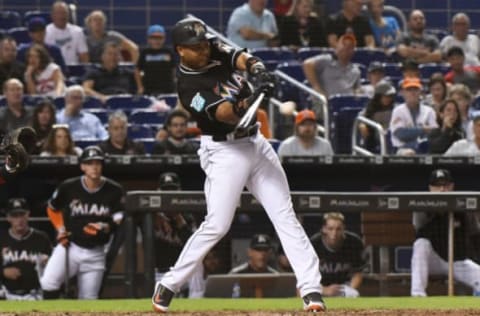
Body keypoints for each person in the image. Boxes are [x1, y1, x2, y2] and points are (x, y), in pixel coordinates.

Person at [152, 17, 325, 313]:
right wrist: (253, 98)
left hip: (255, 143)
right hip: (224, 151)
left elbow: (240, 56)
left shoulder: (210, 48)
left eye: (205, 43)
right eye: (196, 47)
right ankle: (169, 283)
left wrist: (257, 70)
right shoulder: (188, 87)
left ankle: (311, 290)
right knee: (218, 224)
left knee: (285, 215)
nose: (204, 49)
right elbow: (226, 114)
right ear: (181, 50)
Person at [40, 146, 125, 299]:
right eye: (90, 163)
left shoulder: (115, 190)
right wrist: (60, 229)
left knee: (89, 299)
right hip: (70, 246)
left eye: (98, 163)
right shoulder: (69, 186)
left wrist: (106, 226)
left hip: (96, 251)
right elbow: (52, 208)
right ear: (82, 166)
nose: (94, 167)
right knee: (48, 283)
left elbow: (120, 215)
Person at [411, 169, 480, 297]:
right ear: (430, 188)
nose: (442, 189)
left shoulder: (463, 206)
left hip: (456, 260)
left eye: (445, 185)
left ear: (452, 186)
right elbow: (419, 229)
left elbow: (476, 236)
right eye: (437, 186)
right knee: (421, 244)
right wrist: (438, 211)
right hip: (432, 260)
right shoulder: (422, 205)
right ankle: (418, 295)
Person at [0, 198, 51, 301]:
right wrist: (2, 272)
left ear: (28, 214)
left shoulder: (41, 238)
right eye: (15, 216)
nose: (19, 220)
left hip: (34, 294)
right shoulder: (2, 238)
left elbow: (55, 267)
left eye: (22, 214)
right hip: (6, 294)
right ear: (8, 218)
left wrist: (47, 263)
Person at [310, 212, 366, 297]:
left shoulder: (354, 242)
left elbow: (357, 273)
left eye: (338, 229)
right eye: (330, 229)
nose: (334, 233)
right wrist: (325, 290)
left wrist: (350, 288)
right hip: (320, 286)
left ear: (344, 228)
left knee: (354, 294)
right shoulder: (314, 244)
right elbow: (306, 276)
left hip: (343, 287)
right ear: (324, 229)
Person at [154, 172, 195, 277]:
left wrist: (179, 220)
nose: (169, 194)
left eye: (172, 190)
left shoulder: (187, 215)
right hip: (159, 272)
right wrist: (158, 214)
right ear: (159, 192)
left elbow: (193, 246)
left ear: (179, 191)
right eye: (166, 190)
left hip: (183, 271)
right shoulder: (151, 215)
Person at [389, 77, 438, 154]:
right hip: (402, 148)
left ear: (420, 92)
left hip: (425, 148)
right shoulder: (398, 110)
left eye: (415, 89)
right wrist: (423, 130)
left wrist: (412, 132)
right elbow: (400, 134)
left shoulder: (429, 111)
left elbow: (434, 132)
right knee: (409, 153)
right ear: (403, 93)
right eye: (409, 90)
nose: (412, 92)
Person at [303, 33, 361, 98]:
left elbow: (357, 89)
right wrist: (316, 87)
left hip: (347, 103)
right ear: (337, 46)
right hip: (327, 102)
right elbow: (307, 64)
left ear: (353, 50)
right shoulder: (327, 60)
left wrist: (357, 93)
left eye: (350, 46)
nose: (346, 48)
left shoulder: (355, 70)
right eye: (344, 44)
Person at [135, 24, 176, 95]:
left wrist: (174, 86)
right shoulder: (145, 53)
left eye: (160, 38)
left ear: (164, 39)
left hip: (167, 90)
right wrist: (140, 87)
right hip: (149, 91)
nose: (157, 40)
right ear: (148, 39)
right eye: (154, 37)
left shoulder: (168, 53)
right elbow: (137, 70)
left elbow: (173, 70)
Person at [358, 81, 396, 153]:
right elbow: (361, 118)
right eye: (385, 96)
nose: (388, 99)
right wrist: (362, 124)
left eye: (390, 96)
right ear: (379, 96)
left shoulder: (395, 108)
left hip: (392, 133)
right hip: (377, 135)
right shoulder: (371, 108)